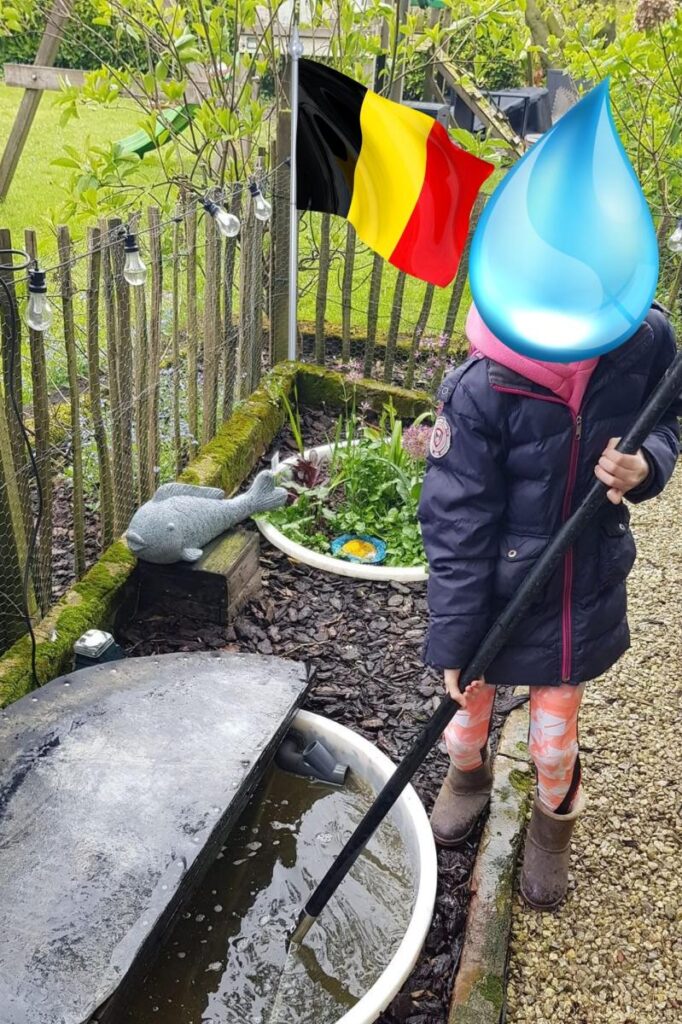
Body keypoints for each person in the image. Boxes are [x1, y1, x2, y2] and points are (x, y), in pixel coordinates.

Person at [417, 301, 680, 910]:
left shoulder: (643, 338)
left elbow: (670, 413)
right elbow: (457, 521)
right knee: (462, 722)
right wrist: (455, 635)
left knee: (554, 745)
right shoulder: (481, 384)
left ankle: (552, 821)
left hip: (576, 594)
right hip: (492, 597)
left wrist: (648, 463)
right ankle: (468, 774)